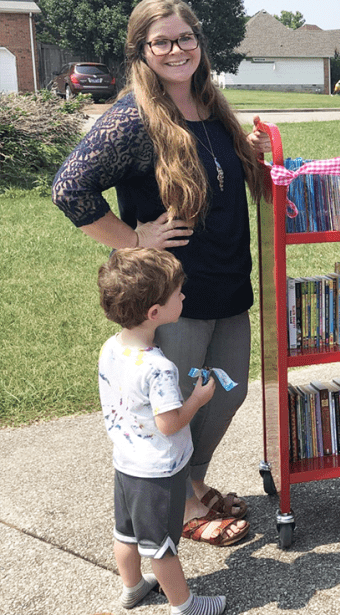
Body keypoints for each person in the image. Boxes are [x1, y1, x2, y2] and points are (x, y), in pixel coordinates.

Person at [53, 0, 272, 545]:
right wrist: (132, 241)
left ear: (199, 41)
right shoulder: (133, 117)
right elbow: (69, 188)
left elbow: (221, 174)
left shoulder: (208, 102)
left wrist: (248, 148)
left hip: (227, 280)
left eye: (186, 38)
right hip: (171, 293)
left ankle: (189, 482)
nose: (176, 50)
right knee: (166, 409)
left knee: (228, 392)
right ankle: (172, 508)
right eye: (162, 42)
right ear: (142, 50)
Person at [97, 248, 232, 614]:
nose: (184, 297)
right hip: (159, 470)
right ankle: (185, 605)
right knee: (161, 547)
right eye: (178, 294)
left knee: (125, 533)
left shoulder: (111, 348)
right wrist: (199, 399)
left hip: (126, 464)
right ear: (154, 313)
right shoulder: (159, 367)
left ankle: (132, 587)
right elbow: (169, 423)